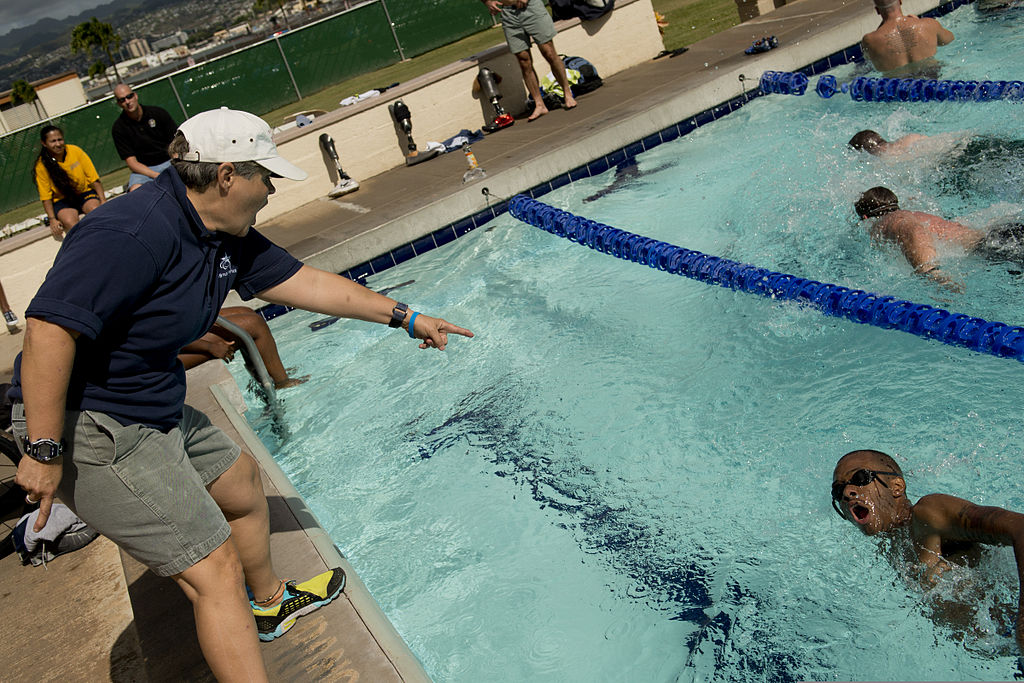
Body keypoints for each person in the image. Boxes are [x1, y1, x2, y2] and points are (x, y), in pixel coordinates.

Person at [7, 106, 473, 681]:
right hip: (88, 424)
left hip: (147, 404)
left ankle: (271, 602)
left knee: (242, 482)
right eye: (266, 176)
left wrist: (406, 316)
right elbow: (50, 328)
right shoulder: (132, 231)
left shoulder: (222, 231)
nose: (272, 189)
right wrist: (45, 449)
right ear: (227, 175)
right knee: (213, 569)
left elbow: (306, 283)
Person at [831, 449, 1024, 651]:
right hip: (1000, 647)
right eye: (838, 490)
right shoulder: (891, 542)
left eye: (860, 478)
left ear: (896, 487)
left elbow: (1020, 527)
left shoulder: (929, 514)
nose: (847, 493)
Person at [854, 186, 1024, 289]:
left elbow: (910, 229)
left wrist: (932, 272)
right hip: (1001, 236)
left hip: (998, 246)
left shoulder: (887, 220)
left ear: (866, 218)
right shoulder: (915, 213)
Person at [482, 0, 578, 121]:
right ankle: (539, 104)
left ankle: (567, 94)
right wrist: (487, 1)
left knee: (549, 52)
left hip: (531, 7)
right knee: (523, 61)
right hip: (508, 13)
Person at [179, 306, 309, 389]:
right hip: (167, 351)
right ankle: (282, 383)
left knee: (245, 312)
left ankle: (264, 375)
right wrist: (209, 346)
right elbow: (161, 334)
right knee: (254, 324)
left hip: (179, 326)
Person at [33, 125, 105, 240]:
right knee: (70, 221)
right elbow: (45, 197)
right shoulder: (41, 166)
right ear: (44, 143)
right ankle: (86, 244)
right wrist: (52, 219)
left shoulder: (75, 151)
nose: (58, 144)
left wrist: (103, 200)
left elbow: (93, 178)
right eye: (53, 141)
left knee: (95, 211)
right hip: (62, 201)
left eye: (60, 139)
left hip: (83, 193)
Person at [111, 83, 179, 192]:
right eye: (122, 100)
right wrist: (156, 175)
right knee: (136, 191)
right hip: (145, 170)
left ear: (135, 96)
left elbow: (176, 142)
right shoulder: (119, 128)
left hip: (170, 160)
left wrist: (177, 164)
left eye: (129, 97)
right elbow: (132, 163)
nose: (127, 102)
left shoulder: (158, 113)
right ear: (119, 104)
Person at [861, 0, 954, 76]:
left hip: (900, 91)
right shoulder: (928, 25)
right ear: (900, 1)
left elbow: (869, 60)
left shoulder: (870, 41)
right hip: (933, 81)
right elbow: (950, 39)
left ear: (877, 10)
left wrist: (880, 30)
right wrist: (918, 21)